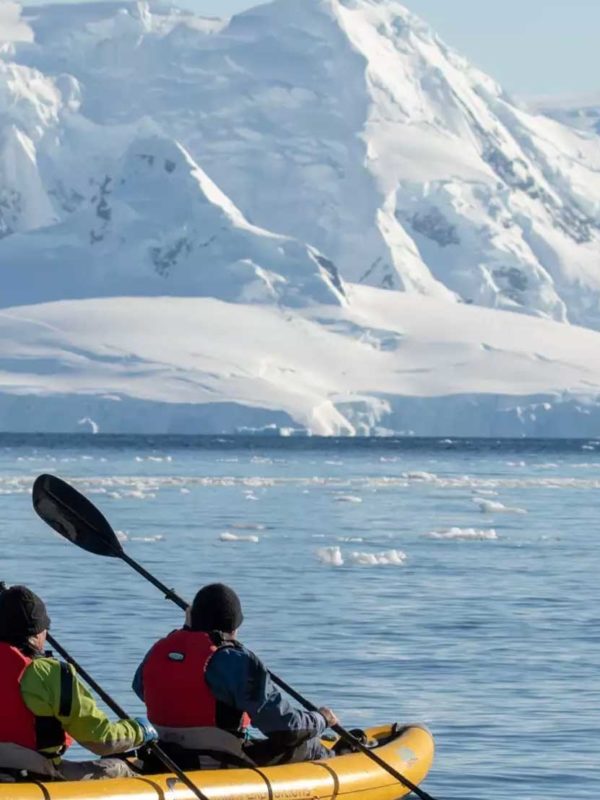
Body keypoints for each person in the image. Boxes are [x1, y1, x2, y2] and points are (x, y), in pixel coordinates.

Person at [133, 583, 339, 770]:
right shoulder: (234, 661)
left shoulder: (159, 650)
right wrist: (321, 719)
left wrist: (187, 630)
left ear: (191, 617)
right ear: (235, 626)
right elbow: (285, 729)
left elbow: (141, 688)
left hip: (165, 755)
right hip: (217, 760)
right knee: (310, 745)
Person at [0, 585, 157, 782]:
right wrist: (141, 731)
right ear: (39, 632)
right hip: (32, 775)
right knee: (119, 768)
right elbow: (101, 741)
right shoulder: (49, 673)